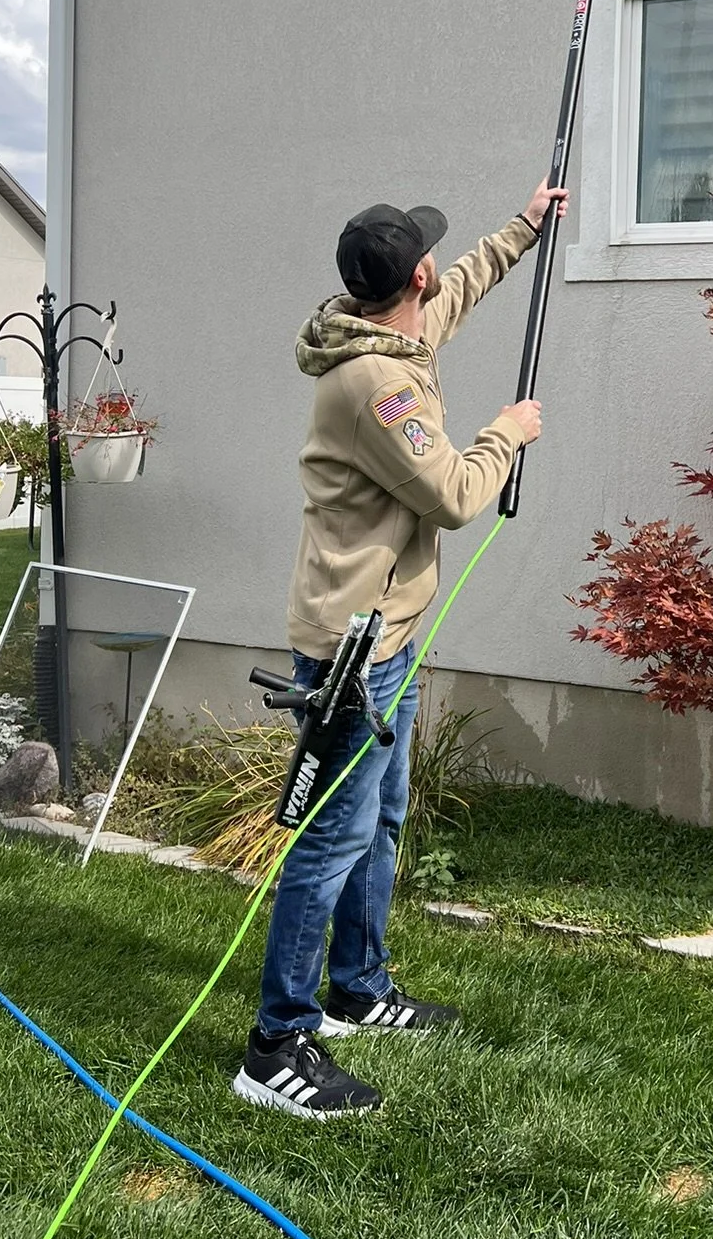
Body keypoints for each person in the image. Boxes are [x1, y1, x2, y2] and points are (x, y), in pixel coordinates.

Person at [234, 179, 566, 1118]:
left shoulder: (387, 334)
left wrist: (527, 226)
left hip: (394, 636)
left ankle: (358, 990)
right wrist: (510, 431)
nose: (438, 268)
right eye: (430, 255)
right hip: (353, 651)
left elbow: (455, 289)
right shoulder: (376, 385)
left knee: (378, 822)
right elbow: (455, 496)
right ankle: (275, 1043)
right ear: (407, 275)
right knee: (330, 841)